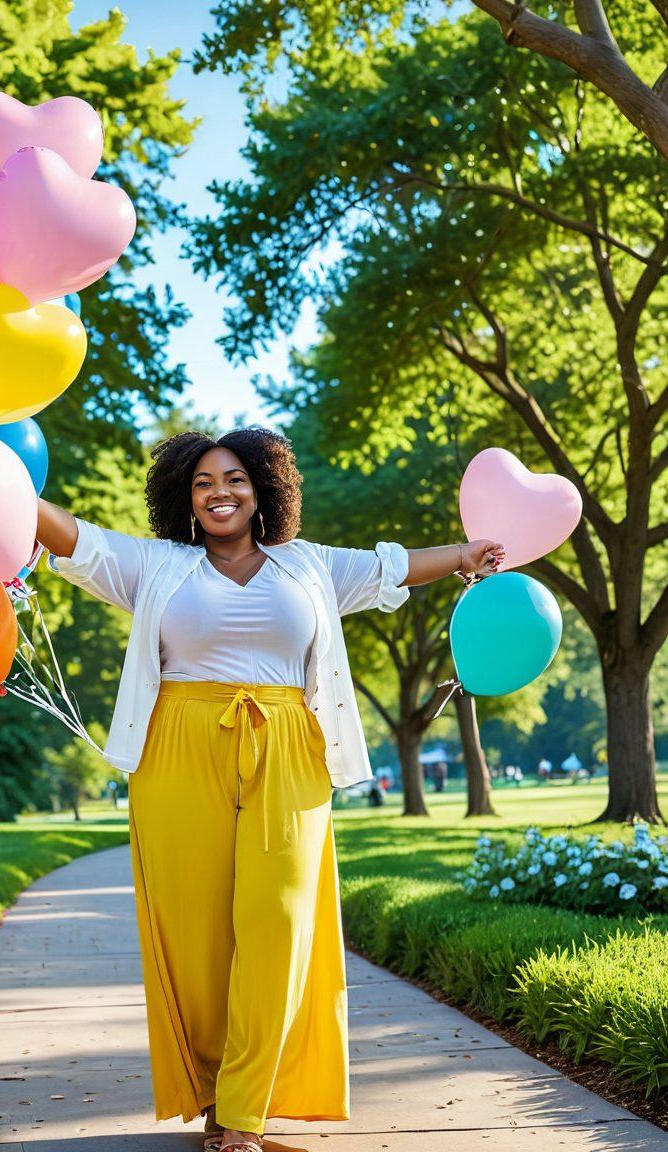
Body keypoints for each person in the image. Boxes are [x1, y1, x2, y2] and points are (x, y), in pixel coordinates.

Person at [35, 427, 505, 1152]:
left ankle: (244, 1110)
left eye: (234, 480)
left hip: (288, 747)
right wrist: (2, 487)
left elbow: (391, 567)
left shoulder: (307, 566)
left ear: (263, 491)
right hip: (179, 749)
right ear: (183, 500)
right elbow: (77, 539)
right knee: (196, 936)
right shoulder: (159, 566)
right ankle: (220, 1090)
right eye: (202, 483)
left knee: (279, 921)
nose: (219, 493)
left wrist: (464, 557)